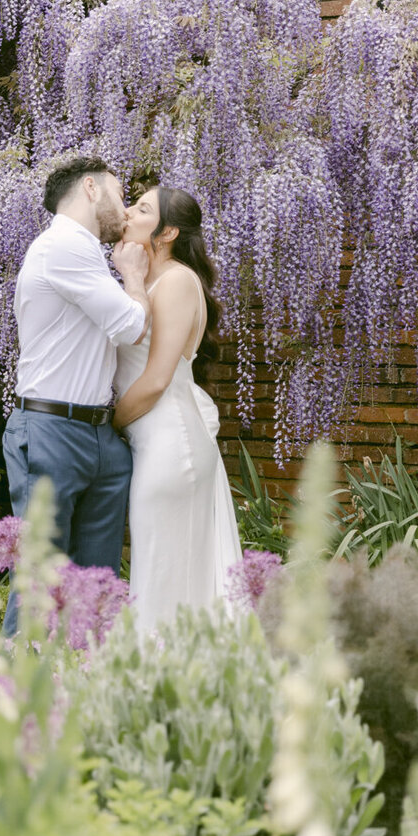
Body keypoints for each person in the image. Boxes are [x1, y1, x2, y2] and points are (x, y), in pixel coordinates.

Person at [2, 156, 150, 636]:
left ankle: (84, 696)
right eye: (121, 193)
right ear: (91, 188)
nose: (125, 209)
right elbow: (129, 325)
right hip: (51, 430)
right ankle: (11, 697)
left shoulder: (84, 252)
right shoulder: (62, 246)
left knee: (97, 587)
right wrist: (134, 276)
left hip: (100, 434)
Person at [112, 184, 241, 641]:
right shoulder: (146, 281)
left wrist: (106, 423)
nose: (127, 211)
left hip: (171, 444)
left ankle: (169, 687)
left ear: (166, 232)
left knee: (165, 575)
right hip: (154, 442)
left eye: (142, 208)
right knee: (158, 569)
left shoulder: (177, 281)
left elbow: (156, 378)